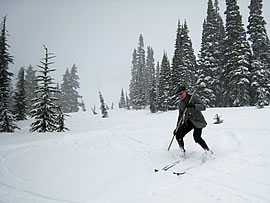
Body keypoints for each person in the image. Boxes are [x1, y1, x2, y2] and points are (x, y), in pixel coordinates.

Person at [173, 86, 212, 156]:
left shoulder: (193, 98)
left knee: (197, 138)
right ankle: (182, 151)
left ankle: (208, 151)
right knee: (178, 134)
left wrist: (193, 105)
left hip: (198, 121)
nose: (180, 96)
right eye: (178, 95)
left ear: (185, 92)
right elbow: (180, 116)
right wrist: (177, 127)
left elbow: (203, 107)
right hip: (189, 121)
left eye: (181, 93)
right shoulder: (181, 103)